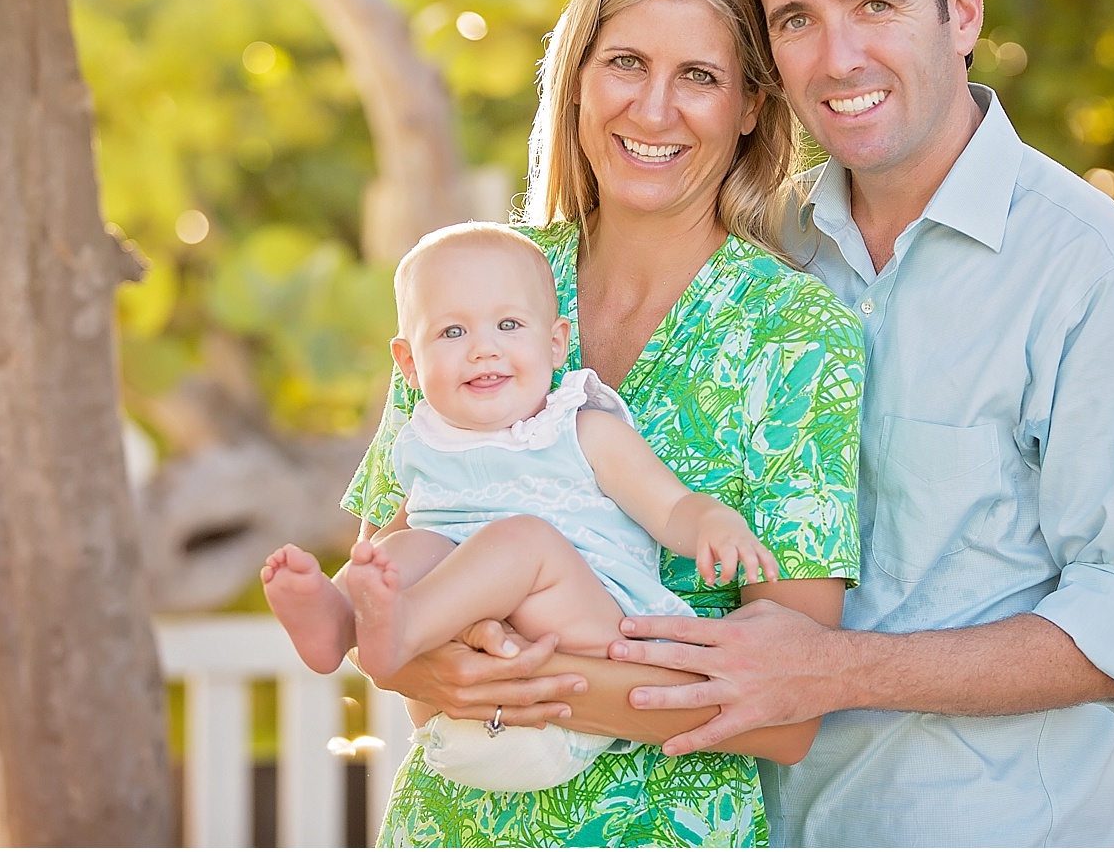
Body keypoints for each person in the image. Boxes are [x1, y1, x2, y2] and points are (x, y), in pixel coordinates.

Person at [606, 0, 1114, 846]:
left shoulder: (1088, 268)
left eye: (874, 5)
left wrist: (836, 669)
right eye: (796, 20)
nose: (838, 58)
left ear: (959, 10)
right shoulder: (759, 246)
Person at [341, 0, 866, 846]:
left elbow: (786, 709)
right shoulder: (472, 286)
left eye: (699, 75)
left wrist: (476, 673)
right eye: (626, 61)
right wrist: (419, 661)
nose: (653, 108)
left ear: (752, 103)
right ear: (579, 72)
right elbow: (380, 589)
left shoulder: (796, 339)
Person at [261, 221, 779, 792]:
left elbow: (671, 506)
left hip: (590, 631)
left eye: (508, 325)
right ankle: (335, 623)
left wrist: (711, 521)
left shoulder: (581, 427)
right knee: (397, 548)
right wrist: (380, 574)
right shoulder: (425, 442)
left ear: (555, 343)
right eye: (452, 331)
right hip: (463, 713)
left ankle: (403, 630)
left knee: (521, 540)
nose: (484, 348)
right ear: (409, 364)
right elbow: (400, 552)